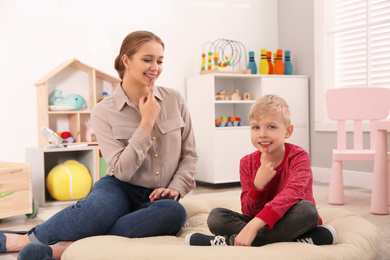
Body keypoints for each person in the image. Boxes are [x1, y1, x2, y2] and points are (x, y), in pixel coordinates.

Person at [0, 30, 197, 259]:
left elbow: (190, 155)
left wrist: (175, 188)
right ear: (126, 60)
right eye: (147, 59)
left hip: (161, 194)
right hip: (120, 186)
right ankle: (25, 240)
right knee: (97, 210)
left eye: (160, 61)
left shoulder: (175, 99)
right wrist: (147, 122)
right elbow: (122, 171)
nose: (155, 67)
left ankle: (63, 248)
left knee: (173, 214)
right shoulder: (103, 111)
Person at [185, 94, 338, 247]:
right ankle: (298, 240)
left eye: (271, 127)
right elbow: (248, 211)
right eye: (256, 127)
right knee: (216, 217)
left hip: (294, 219)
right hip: (262, 223)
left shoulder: (299, 157)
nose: (262, 134)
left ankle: (229, 242)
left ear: (288, 131)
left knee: (308, 210)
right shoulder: (246, 163)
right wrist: (258, 186)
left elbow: (292, 194)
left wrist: (253, 226)